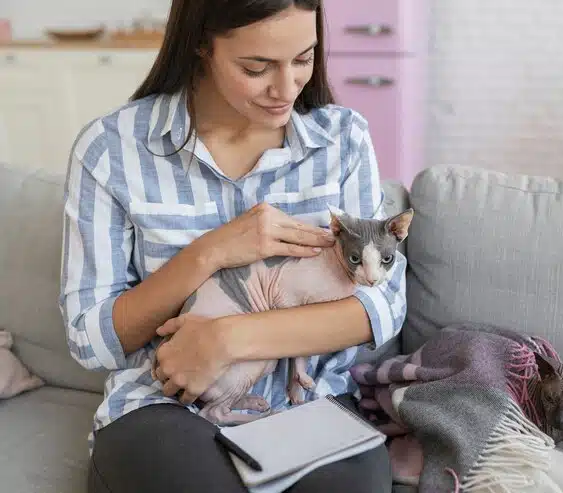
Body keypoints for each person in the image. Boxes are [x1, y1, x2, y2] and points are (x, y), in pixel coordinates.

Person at [59, 1, 407, 491]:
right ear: (202, 43)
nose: (286, 89)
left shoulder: (343, 140)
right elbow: (90, 339)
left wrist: (228, 339)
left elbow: (382, 305)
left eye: (303, 59)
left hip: (312, 406)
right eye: (256, 67)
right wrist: (210, 253)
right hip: (168, 406)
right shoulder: (111, 149)